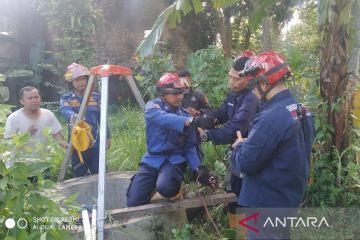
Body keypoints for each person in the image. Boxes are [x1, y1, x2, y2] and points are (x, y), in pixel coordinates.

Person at [230, 51, 315, 239]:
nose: (253, 92)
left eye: (253, 86)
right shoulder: (302, 110)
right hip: (288, 199)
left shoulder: (271, 117)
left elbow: (245, 163)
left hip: (265, 204)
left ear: (264, 83)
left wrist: (238, 146)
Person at [126, 72, 216, 207]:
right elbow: (164, 119)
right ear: (163, 94)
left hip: (173, 161)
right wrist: (191, 120)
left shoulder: (185, 115)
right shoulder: (153, 107)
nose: (180, 97)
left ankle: (175, 187)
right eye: (175, 94)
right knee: (133, 201)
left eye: (181, 93)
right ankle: (154, 186)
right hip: (152, 160)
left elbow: (190, 147)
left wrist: (199, 168)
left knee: (166, 187)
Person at [196, 51, 260, 229]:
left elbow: (234, 129)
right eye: (230, 77)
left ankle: (249, 231)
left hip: (249, 154)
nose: (231, 82)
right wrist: (206, 119)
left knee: (244, 196)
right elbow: (221, 112)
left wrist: (206, 134)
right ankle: (237, 231)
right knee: (232, 192)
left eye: (236, 79)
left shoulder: (251, 98)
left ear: (248, 78)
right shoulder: (234, 94)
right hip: (235, 153)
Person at [60, 63, 111, 177]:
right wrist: (75, 117)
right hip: (76, 141)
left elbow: (102, 119)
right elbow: (64, 110)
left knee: (99, 173)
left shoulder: (96, 97)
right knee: (79, 173)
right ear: (71, 82)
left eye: (82, 79)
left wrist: (107, 136)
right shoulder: (66, 98)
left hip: (95, 142)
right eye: (77, 80)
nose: (81, 82)